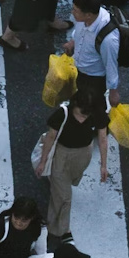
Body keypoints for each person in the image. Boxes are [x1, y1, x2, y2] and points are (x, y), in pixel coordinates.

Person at [34, 88, 110, 247]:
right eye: (80, 113)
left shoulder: (97, 113)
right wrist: (43, 161)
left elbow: (103, 139)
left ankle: (54, 181)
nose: (83, 117)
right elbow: (50, 137)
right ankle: (61, 230)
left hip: (84, 154)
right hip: (62, 153)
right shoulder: (62, 114)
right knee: (65, 197)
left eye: (87, 114)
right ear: (74, 104)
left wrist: (104, 165)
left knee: (68, 181)